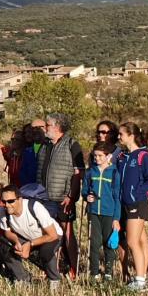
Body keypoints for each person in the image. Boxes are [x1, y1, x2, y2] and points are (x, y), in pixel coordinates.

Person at [37, 112, 84, 279]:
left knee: (68, 235)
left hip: (63, 199)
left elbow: (79, 173)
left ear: (57, 127)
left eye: (47, 125)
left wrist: (71, 196)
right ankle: (53, 269)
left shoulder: (72, 144)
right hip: (44, 198)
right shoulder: (44, 145)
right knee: (50, 235)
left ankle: (74, 269)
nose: (45, 128)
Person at [0, 185, 64, 288]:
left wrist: (30, 244)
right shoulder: (3, 211)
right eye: (4, 201)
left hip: (51, 236)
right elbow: (7, 232)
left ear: (19, 199)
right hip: (27, 238)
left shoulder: (35, 207)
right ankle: (22, 279)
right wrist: (17, 242)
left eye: (10, 201)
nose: (7, 205)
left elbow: (52, 234)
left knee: (46, 252)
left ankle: (54, 279)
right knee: (4, 245)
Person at [117, 122, 148, 292]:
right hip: (126, 204)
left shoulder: (143, 156)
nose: (119, 137)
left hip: (137, 203)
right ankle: (142, 277)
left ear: (131, 136)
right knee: (140, 240)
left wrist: (137, 192)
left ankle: (140, 282)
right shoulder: (124, 157)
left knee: (132, 241)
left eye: (121, 134)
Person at [82, 141, 121, 280]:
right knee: (94, 243)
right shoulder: (90, 171)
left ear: (108, 156)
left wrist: (116, 218)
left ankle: (109, 272)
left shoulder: (115, 172)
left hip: (109, 213)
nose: (96, 158)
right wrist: (87, 197)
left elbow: (117, 197)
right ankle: (94, 273)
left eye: (99, 156)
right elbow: (85, 190)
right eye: (95, 156)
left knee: (109, 243)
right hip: (93, 212)